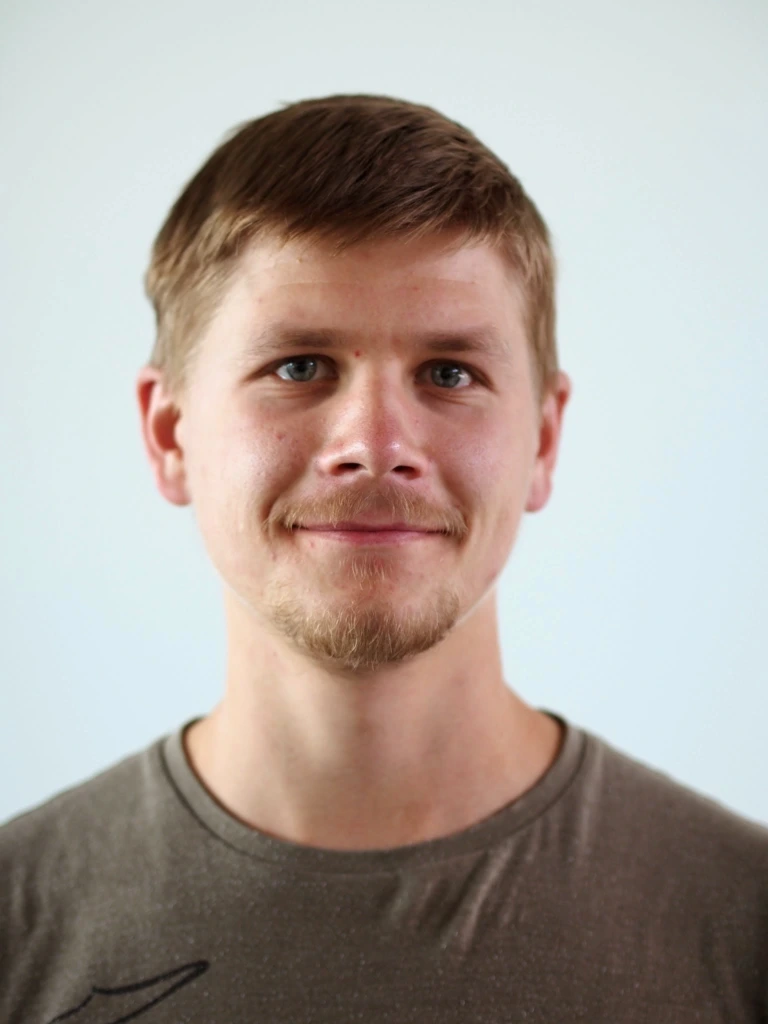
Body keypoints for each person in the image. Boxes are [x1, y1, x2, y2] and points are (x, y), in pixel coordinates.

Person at [1, 94, 766, 1024]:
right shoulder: (17, 929)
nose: (374, 444)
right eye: (299, 366)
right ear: (170, 435)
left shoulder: (744, 926)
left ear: (543, 439)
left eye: (449, 373)